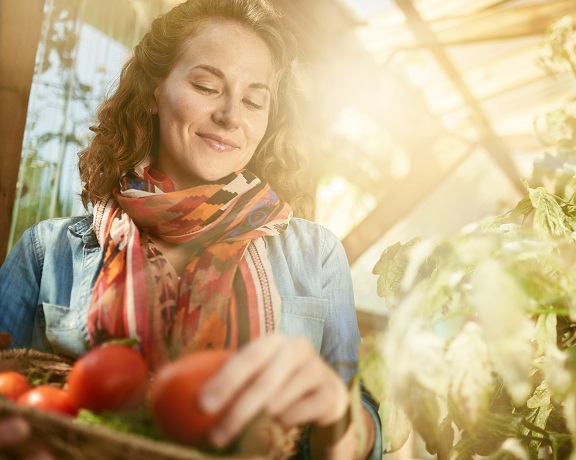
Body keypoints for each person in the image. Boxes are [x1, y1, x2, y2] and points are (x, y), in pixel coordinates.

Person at [0, 0, 382, 458]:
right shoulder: (48, 252)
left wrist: (338, 418)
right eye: (206, 86)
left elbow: (360, 423)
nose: (230, 115)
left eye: (254, 100)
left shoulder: (315, 254)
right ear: (152, 93)